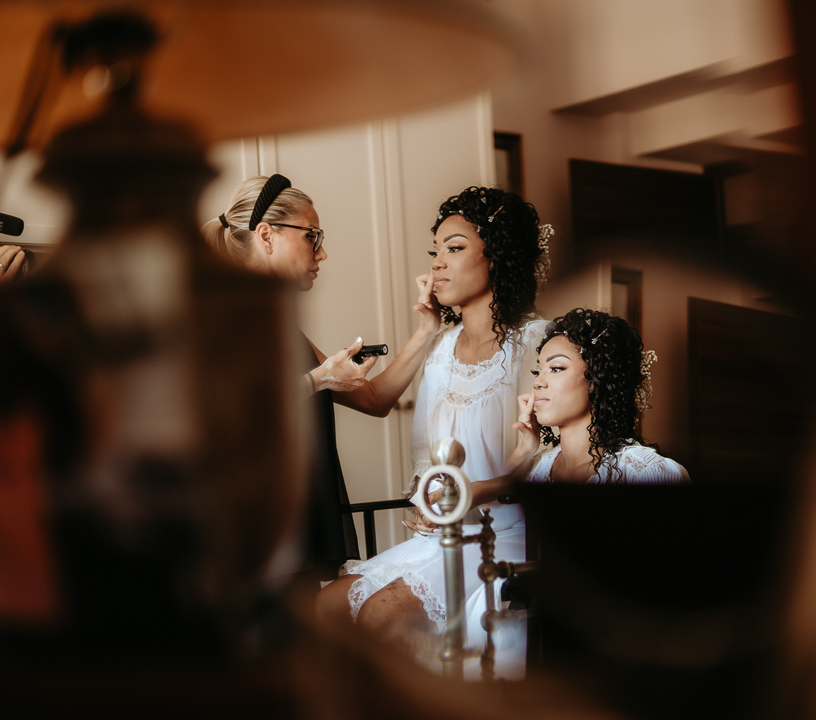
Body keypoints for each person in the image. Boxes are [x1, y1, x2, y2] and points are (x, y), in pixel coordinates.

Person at [316, 186, 551, 641]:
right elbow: (431, 459)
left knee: (380, 617)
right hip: (445, 537)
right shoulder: (441, 348)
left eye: (455, 248)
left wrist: (470, 496)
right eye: (435, 251)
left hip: (511, 538)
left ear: (497, 257)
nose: (436, 264)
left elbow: (555, 463)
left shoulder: (540, 343)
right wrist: (431, 501)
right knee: (323, 608)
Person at [202, 174, 441, 580]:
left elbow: (374, 400)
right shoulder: (221, 316)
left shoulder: (281, 327)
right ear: (266, 235)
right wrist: (319, 379)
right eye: (312, 236)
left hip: (304, 514)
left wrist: (427, 332)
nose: (323, 252)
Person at [515, 307, 690, 485]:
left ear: (598, 379)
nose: (538, 382)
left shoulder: (646, 472)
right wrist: (523, 449)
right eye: (537, 371)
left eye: (556, 368)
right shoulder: (530, 469)